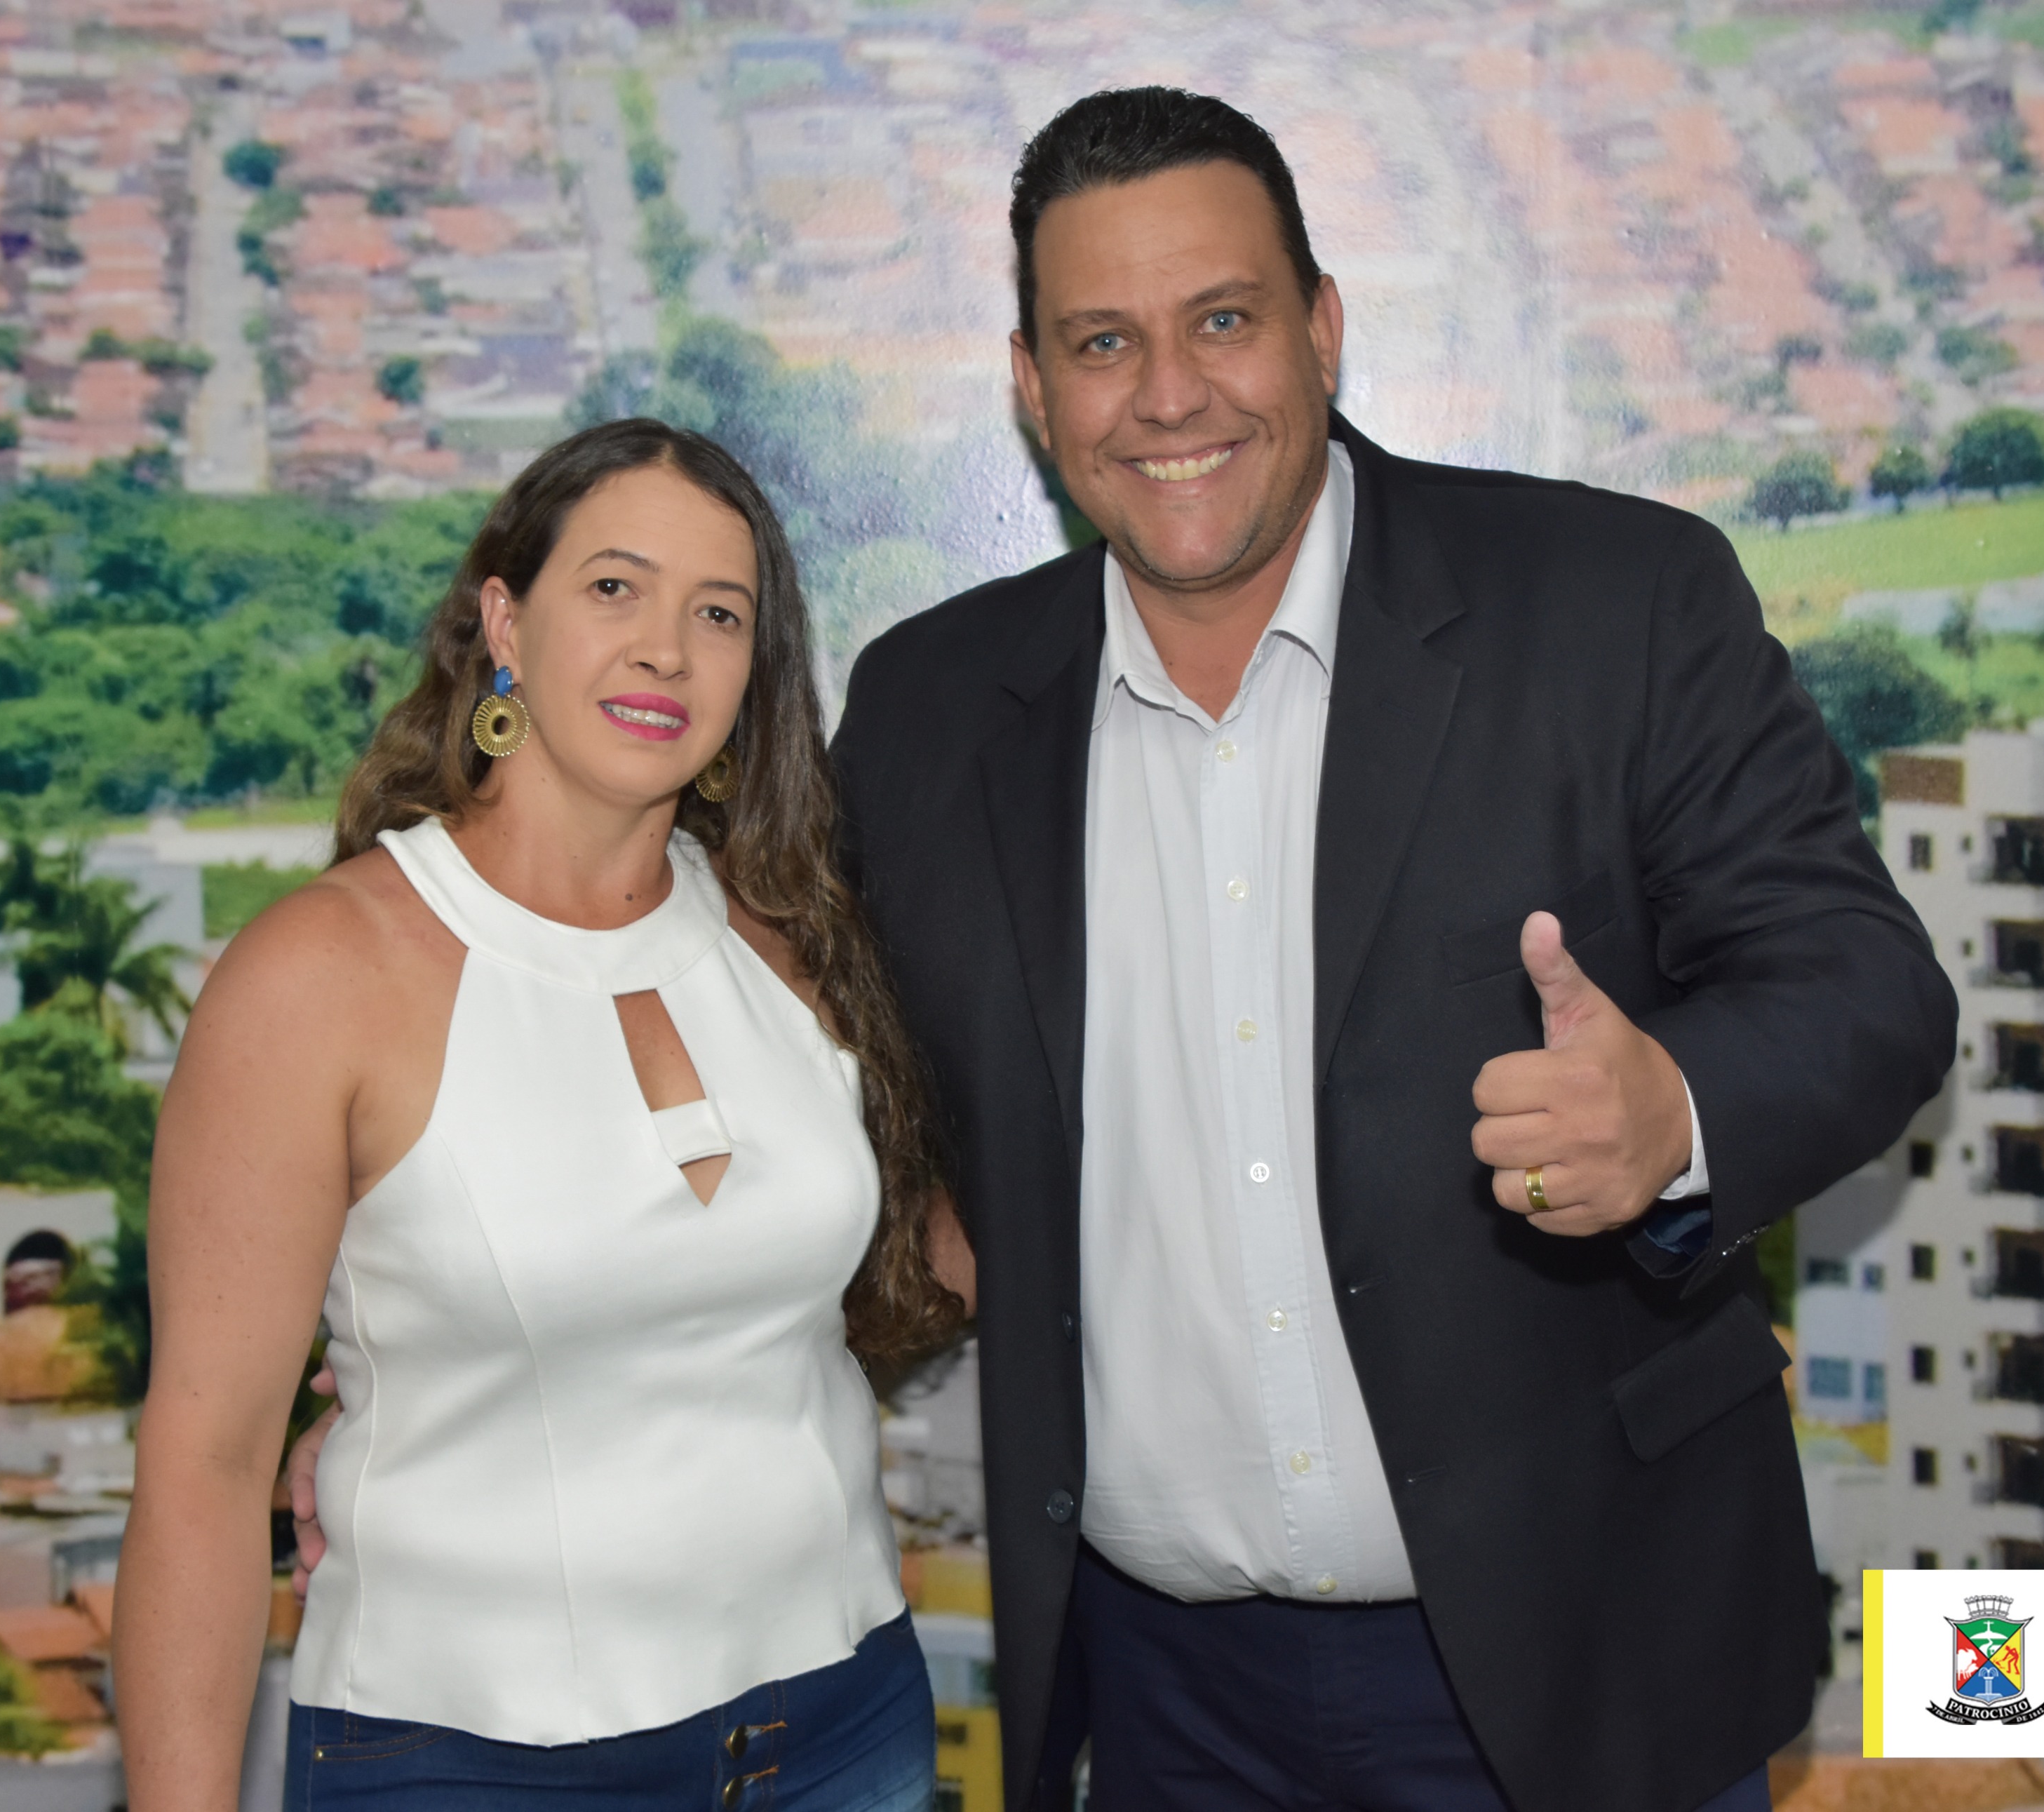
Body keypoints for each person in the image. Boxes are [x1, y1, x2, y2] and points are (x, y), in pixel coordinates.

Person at [827, 89, 1958, 1812]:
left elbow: (1867, 984)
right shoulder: (924, 707)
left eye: (1223, 319)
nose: (1169, 393)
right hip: (1164, 1700)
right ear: (1032, 389)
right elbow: (824, 1057)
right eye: (1102, 341)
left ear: (1323, 328)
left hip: (1587, 1659)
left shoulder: (1614, 601)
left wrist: (1671, 1110)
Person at [116, 420, 967, 1812]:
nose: (665, 651)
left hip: (845, 1728)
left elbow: (935, 1251)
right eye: (615, 589)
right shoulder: (316, 976)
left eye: (719, 614)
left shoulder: (796, 940)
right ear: (505, 623)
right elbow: (204, 1470)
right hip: (470, 1762)